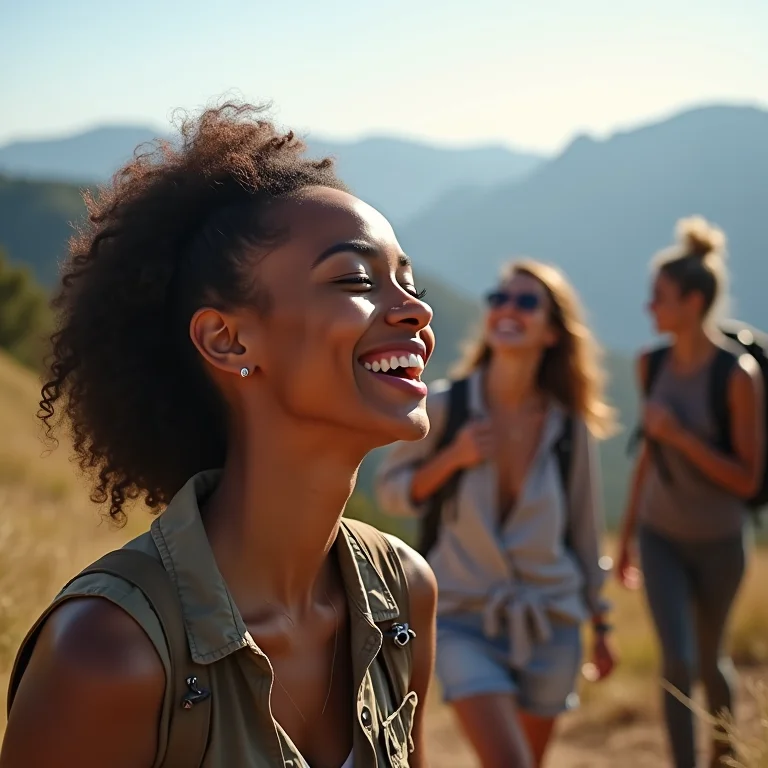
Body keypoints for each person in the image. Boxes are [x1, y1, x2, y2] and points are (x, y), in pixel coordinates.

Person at [0, 102, 438, 768]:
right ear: (227, 339)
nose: (416, 310)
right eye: (356, 279)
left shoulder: (404, 593)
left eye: (408, 281)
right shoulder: (109, 653)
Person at [375, 259, 617, 768]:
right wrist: (451, 459)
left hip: (551, 621)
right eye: (499, 298)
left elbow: (585, 529)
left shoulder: (568, 426)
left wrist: (602, 625)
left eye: (527, 302)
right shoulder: (445, 407)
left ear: (552, 332)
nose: (508, 309)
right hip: (463, 616)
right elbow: (390, 493)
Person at [617, 217, 765, 768]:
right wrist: (628, 537)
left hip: (721, 541)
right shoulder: (649, 364)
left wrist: (680, 434)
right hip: (661, 537)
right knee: (675, 662)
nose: (649, 308)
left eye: (659, 297)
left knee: (710, 661)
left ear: (693, 301)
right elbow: (648, 458)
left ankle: (724, 756)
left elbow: (746, 480)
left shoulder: (738, 375)